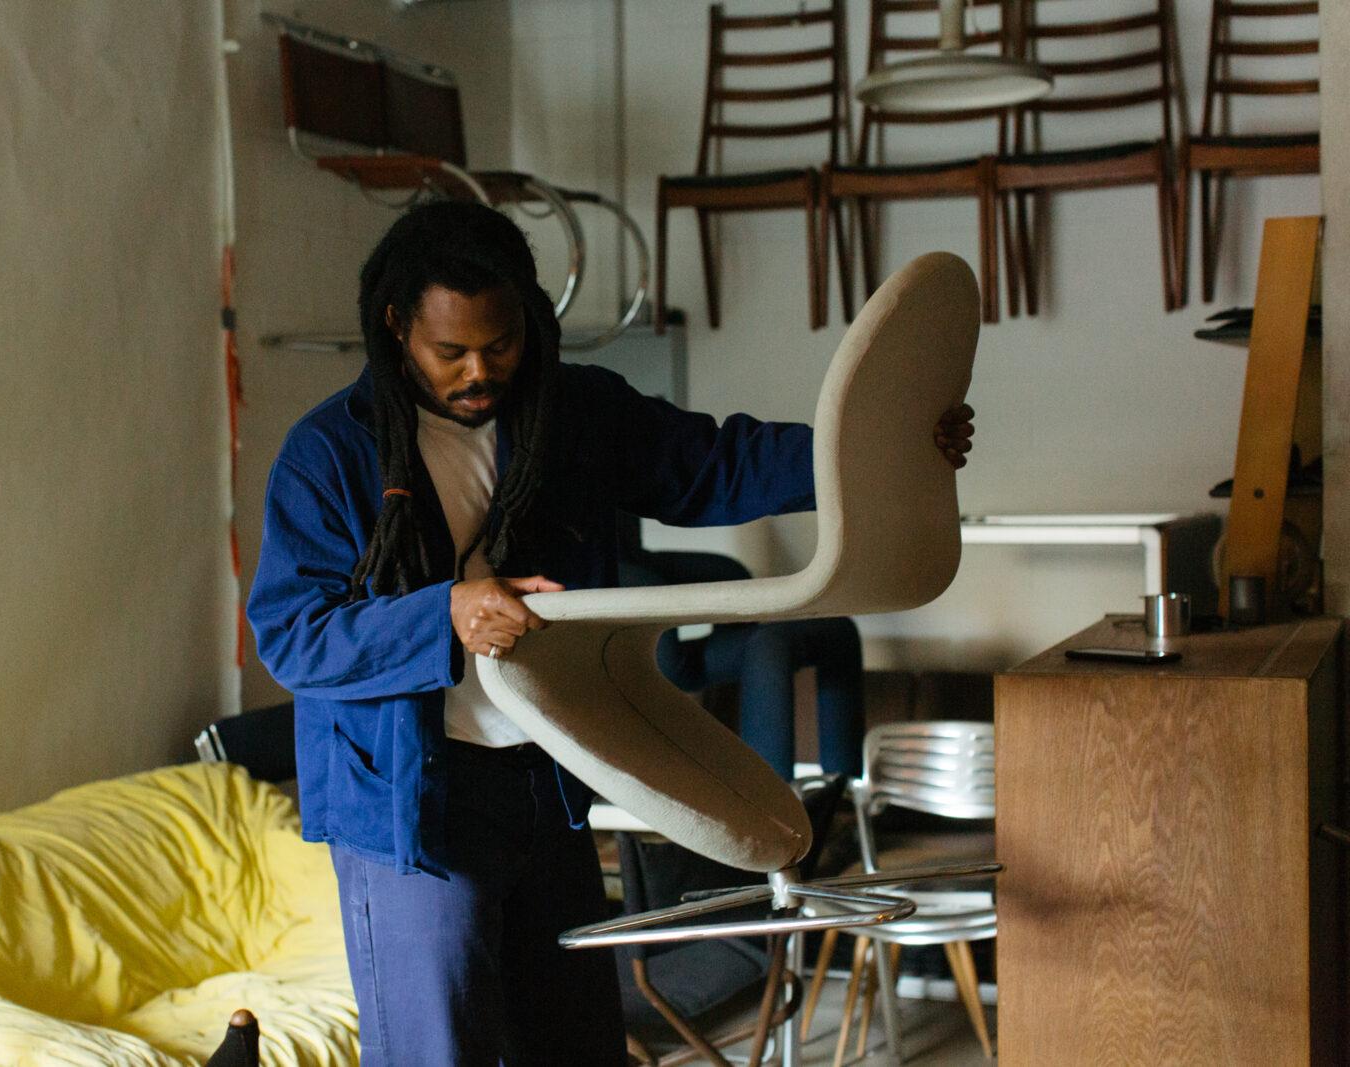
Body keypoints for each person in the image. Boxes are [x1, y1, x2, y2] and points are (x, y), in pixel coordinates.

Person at [246, 200, 974, 1067]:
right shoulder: (326, 453)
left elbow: (712, 465)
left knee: (581, 1044)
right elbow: (293, 634)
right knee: (440, 1052)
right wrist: (444, 611)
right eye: (453, 352)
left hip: (547, 778)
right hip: (410, 806)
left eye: (502, 342)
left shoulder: (572, 411)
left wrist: (878, 448)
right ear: (398, 326)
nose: (481, 369)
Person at [616, 516, 865, 779]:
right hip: (614, 592)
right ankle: (771, 807)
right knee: (766, 645)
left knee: (835, 632)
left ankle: (844, 791)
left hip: (636, 568)